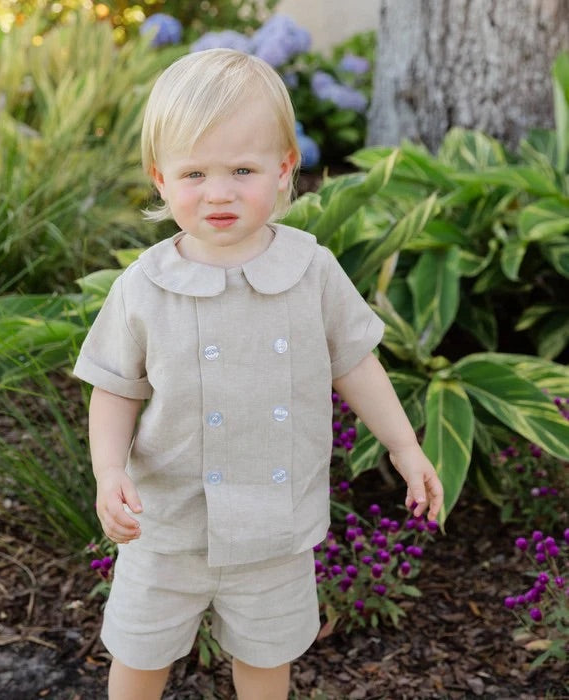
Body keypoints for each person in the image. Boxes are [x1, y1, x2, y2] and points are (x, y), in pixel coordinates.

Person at [74, 48, 444, 700]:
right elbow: (114, 389)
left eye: (242, 170)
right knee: (139, 650)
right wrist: (109, 472)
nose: (219, 192)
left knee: (267, 655)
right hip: (166, 525)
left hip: (276, 525)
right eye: (194, 173)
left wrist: (404, 446)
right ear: (160, 178)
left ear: (284, 168)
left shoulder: (311, 269)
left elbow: (357, 364)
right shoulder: (145, 285)